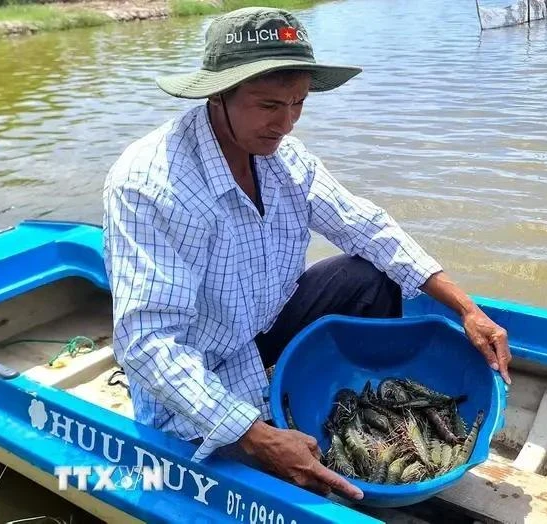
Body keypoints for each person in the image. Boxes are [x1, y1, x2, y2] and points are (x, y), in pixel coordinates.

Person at [102, 6, 511, 502]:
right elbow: (147, 344)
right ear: (217, 93)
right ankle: (270, 427)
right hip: (199, 363)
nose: (288, 123)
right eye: (270, 104)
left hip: (259, 327)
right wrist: (260, 437)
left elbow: (368, 227)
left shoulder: (283, 159)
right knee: (266, 464)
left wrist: (465, 307)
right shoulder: (150, 185)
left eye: (299, 103)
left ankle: (331, 396)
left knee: (369, 276)